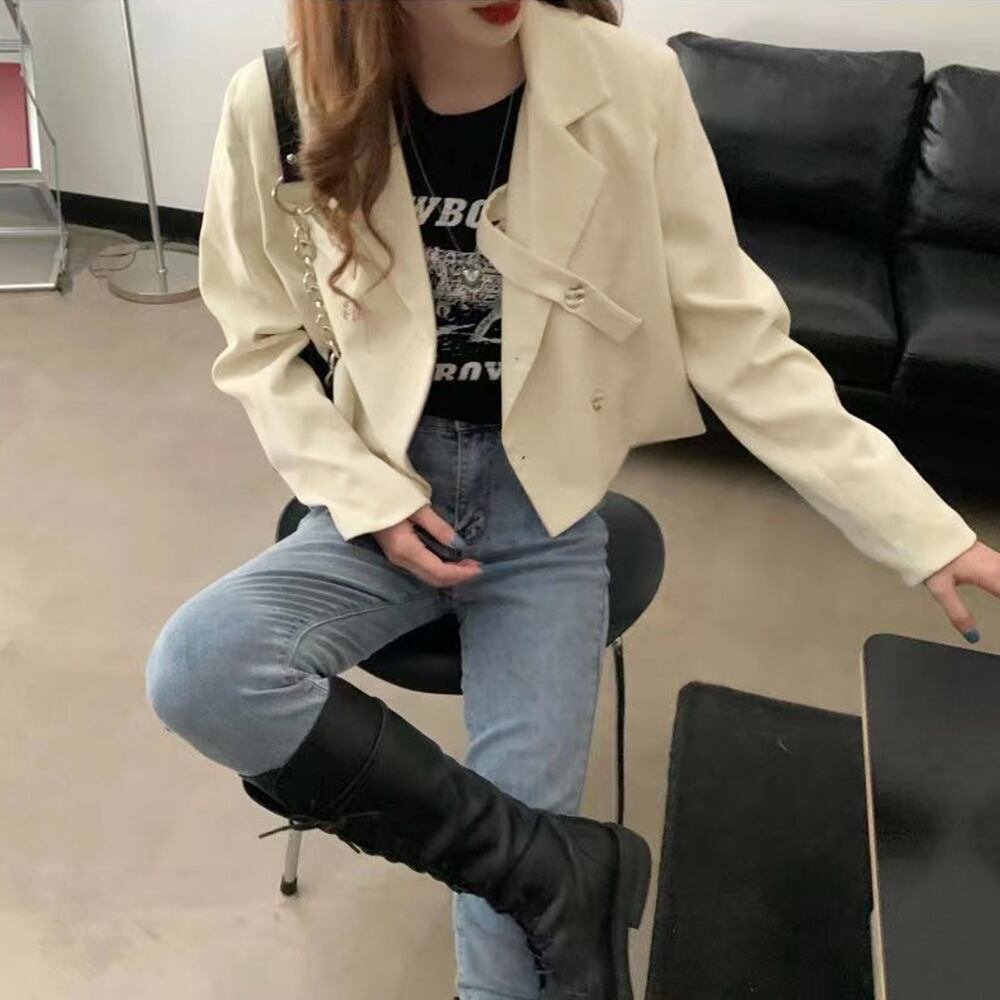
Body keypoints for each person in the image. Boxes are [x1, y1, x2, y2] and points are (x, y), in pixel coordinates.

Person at [145, 2, 1000, 999]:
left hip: (541, 516)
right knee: (199, 668)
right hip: (380, 500)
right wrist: (362, 493)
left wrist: (923, 531)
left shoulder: (629, 86)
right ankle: (547, 866)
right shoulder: (281, 101)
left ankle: (533, 871)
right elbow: (258, 342)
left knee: (512, 946)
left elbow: (739, 342)